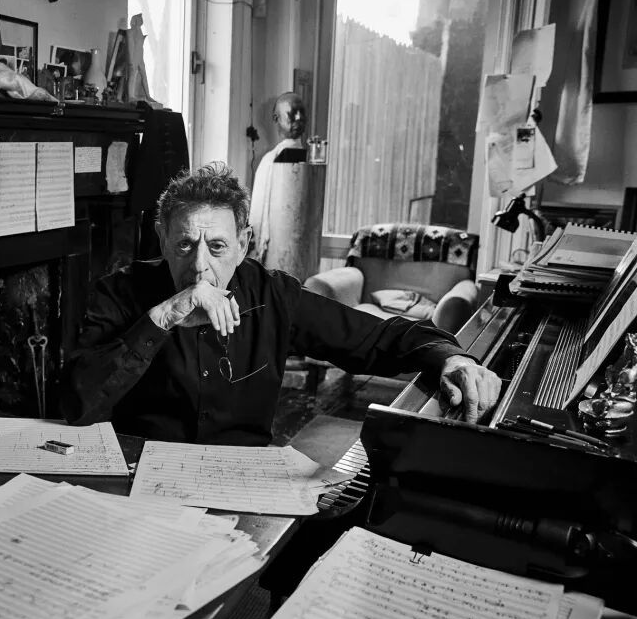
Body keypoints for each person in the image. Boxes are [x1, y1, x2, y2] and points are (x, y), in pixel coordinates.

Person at [62, 162, 501, 444]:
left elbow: (376, 338)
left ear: (242, 244)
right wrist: (163, 316)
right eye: (183, 245)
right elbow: (77, 404)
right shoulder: (120, 292)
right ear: (162, 240)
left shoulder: (272, 295)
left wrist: (450, 357)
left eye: (216, 247)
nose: (199, 266)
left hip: (243, 481)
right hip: (141, 481)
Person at [249, 91, 310, 274]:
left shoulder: (307, 158)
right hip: (275, 247)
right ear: (276, 118)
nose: (298, 118)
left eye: (301, 112)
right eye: (292, 113)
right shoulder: (269, 161)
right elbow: (258, 215)